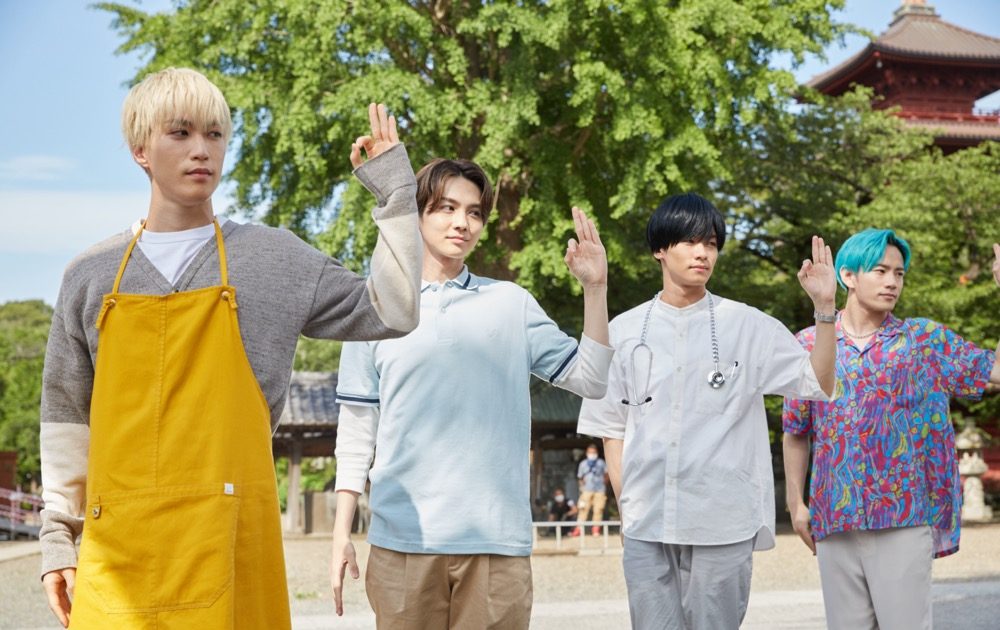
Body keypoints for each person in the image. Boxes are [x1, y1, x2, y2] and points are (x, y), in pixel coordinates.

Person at [37, 68, 423, 629]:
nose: (202, 149)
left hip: (233, 541)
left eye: (215, 135)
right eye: (181, 133)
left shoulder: (273, 259)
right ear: (140, 150)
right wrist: (57, 538)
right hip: (117, 551)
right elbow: (67, 417)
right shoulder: (91, 275)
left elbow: (395, 308)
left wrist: (396, 193)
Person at [329, 157, 614, 628]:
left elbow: (592, 379)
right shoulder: (375, 308)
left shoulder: (512, 304)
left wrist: (595, 289)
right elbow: (358, 431)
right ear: (416, 213)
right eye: (446, 207)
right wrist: (341, 531)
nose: (462, 222)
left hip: (495, 543)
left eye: (474, 212)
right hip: (403, 541)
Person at [577, 192, 838, 630]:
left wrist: (825, 310)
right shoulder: (622, 331)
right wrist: (628, 510)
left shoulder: (748, 325)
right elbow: (611, 429)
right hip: (647, 523)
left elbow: (818, 383)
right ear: (660, 249)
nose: (703, 253)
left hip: (722, 519)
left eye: (712, 243)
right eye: (690, 241)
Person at [782, 231, 1000, 630]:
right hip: (835, 516)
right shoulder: (809, 343)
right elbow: (796, 428)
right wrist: (796, 502)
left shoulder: (923, 340)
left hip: (904, 516)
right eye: (880, 271)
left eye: (899, 273)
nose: (892, 282)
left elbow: (995, 371)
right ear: (848, 276)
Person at [576, 443, 608, 536]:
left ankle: (595, 530)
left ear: (597, 453)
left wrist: (604, 483)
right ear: (587, 453)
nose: (592, 454)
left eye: (594, 452)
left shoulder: (601, 462)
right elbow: (580, 477)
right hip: (586, 490)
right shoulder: (583, 464)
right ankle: (578, 529)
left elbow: (606, 474)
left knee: (598, 509)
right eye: (590, 452)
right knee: (583, 509)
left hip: (600, 490)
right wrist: (582, 487)